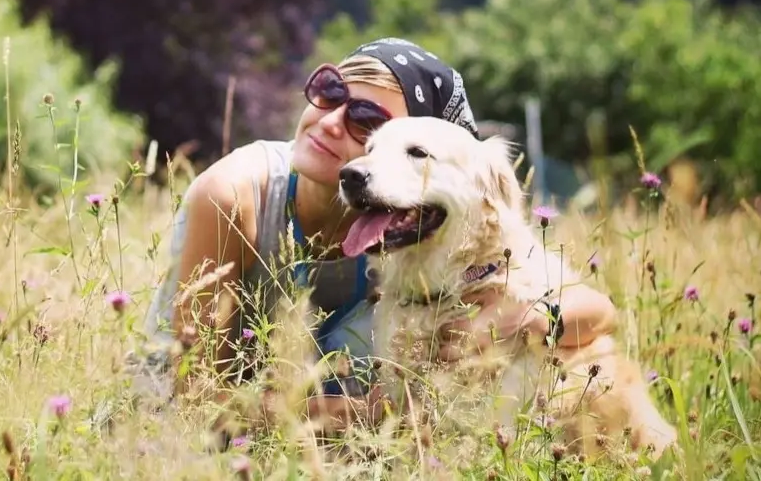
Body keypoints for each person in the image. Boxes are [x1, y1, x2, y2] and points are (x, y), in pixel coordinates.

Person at [133, 37, 618, 432]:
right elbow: (193, 394)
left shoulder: (421, 234)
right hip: (185, 433)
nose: (329, 121)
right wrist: (374, 417)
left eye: (366, 120)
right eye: (328, 92)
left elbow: (598, 311)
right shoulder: (234, 193)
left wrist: (521, 321)